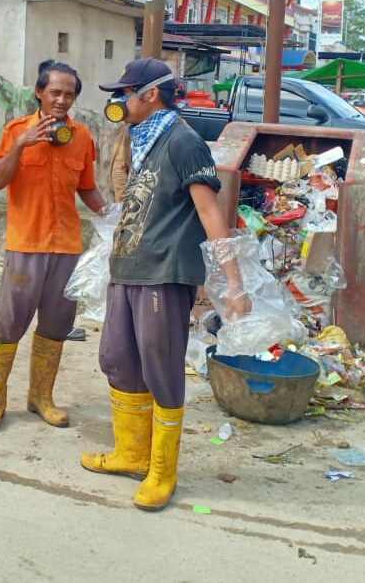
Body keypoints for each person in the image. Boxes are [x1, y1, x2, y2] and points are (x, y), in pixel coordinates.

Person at [82, 58, 246, 511]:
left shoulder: (183, 141)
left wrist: (232, 281)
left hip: (165, 272)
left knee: (160, 368)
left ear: (150, 94)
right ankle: (131, 454)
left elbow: (211, 212)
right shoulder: (142, 138)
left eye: (124, 93)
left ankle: (162, 470)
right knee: (116, 359)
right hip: (128, 269)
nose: (119, 101)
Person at [0, 59, 107, 433]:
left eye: (69, 94)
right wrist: (20, 145)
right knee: (9, 324)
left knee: (57, 324)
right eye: (55, 93)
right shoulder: (16, 131)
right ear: (39, 93)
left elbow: (86, 186)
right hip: (26, 244)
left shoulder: (81, 137)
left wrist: (110, 214)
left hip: (66, 246)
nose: (62, 100)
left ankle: (41, 398)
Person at [109, 78, 186, 202]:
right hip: (137, 206)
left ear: (153, 95)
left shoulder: (181, 130)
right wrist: (125, 206)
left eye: (128, 95)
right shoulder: (128, 130)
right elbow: (119, 169)